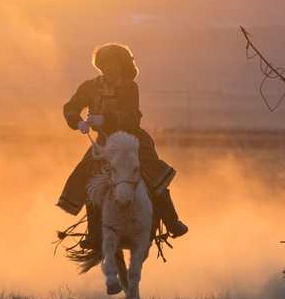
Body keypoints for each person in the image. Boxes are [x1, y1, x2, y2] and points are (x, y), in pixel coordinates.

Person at [57, 43, 188, 251]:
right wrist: (77, 121)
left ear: (123, 65)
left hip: (132, 139)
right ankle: (94, 233)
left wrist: (104, 119)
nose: (111, 68)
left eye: (115, 64)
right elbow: (71, 108)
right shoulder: (89, 87)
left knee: (153, 173)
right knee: (90, 178)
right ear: (100, 65)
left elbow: (132, 118)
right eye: (107, 64)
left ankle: (172, 222)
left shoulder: (129, 87)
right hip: (104, 142)